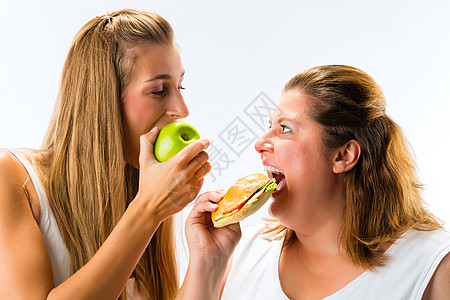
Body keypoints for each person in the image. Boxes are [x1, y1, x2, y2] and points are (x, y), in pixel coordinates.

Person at [0, 9, 213, 300]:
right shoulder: (11, 177)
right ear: (104, 99)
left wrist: (207, 258)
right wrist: (148, 210)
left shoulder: (141, 188)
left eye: (180, 86)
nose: (182, 109)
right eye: (159, 90)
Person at [190, 65, 450, 299]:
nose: (259, 144)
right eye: (269, 126)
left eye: (285, 129)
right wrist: (206, 263)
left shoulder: (434, 267)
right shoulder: (239, 253)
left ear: (343, 155)